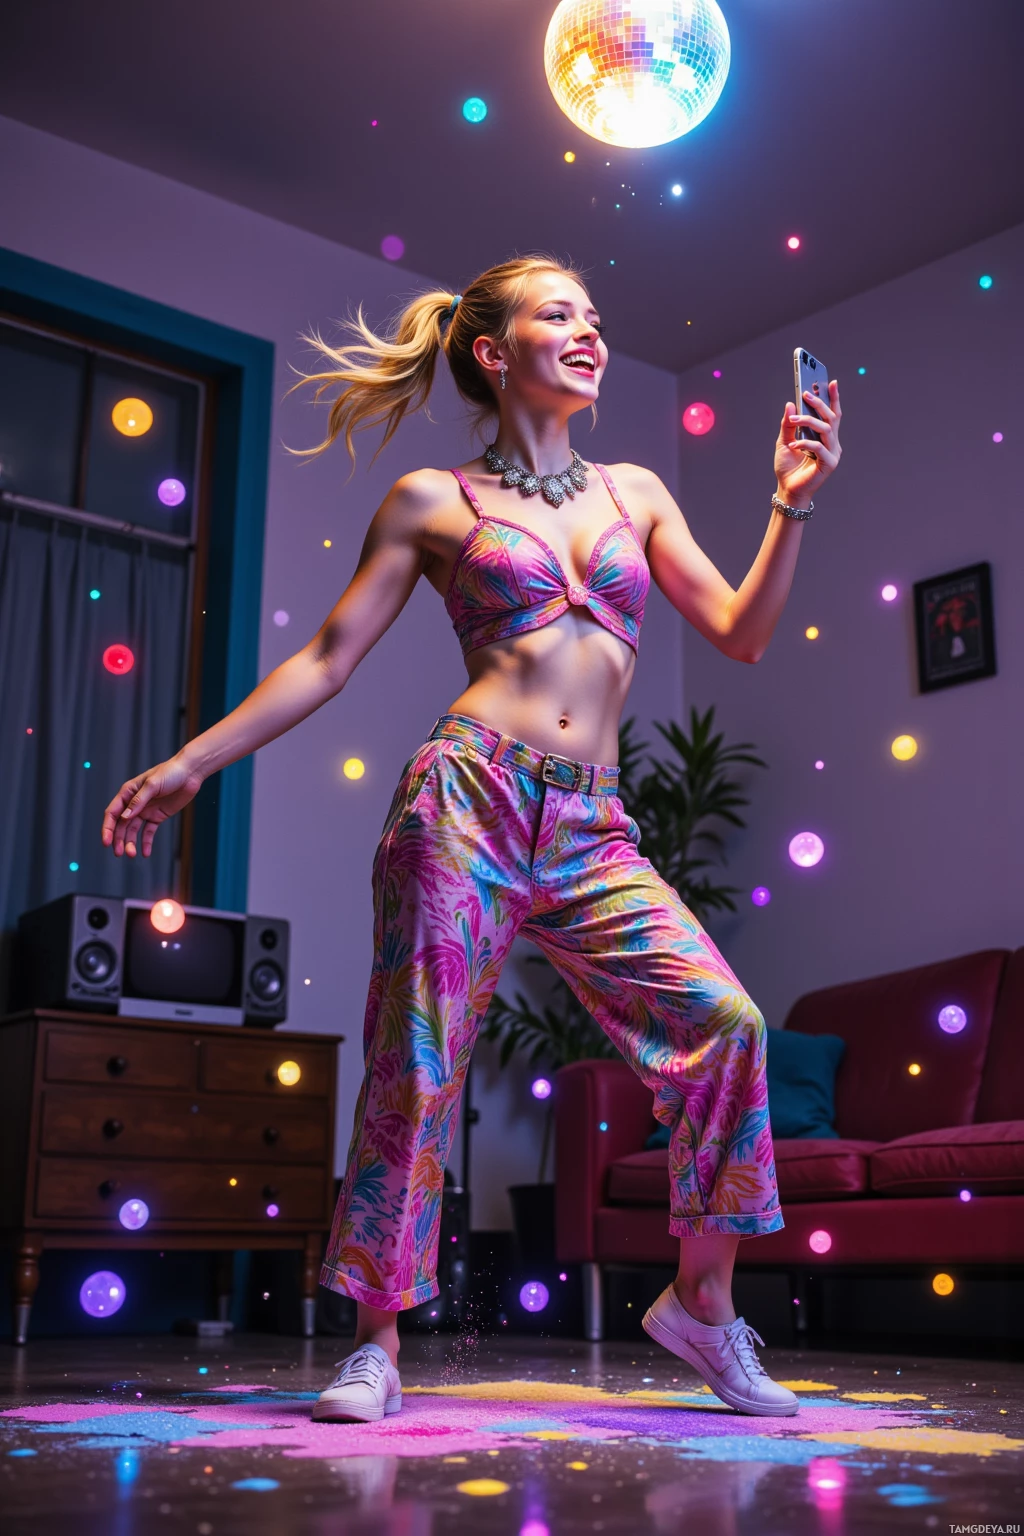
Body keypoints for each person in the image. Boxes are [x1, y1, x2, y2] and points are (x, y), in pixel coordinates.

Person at [101, 254, 842, 1425]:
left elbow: (742, 633)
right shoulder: (428, 501)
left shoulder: (638, 493)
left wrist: (791, 496)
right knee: (417, 1063)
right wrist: (196, 758)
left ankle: (702, 1309)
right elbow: (326, 658)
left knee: (726, 1025)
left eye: (597, 315)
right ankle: (375, 1345)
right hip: (466, 801)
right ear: (496, 354)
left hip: (592, 820)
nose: (590, 332)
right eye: (561, 316)